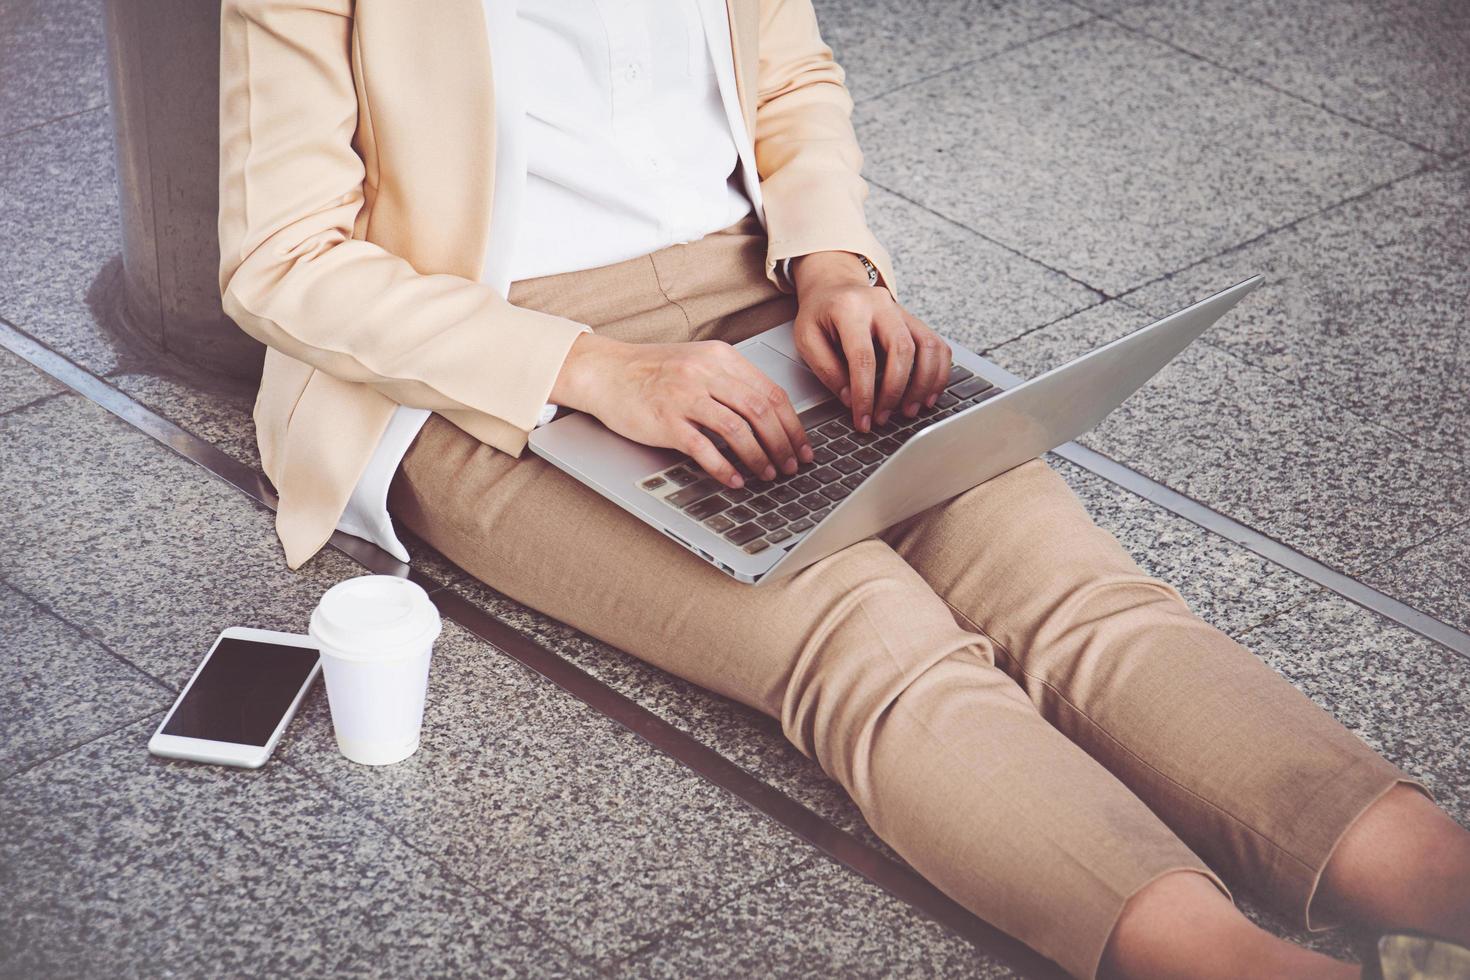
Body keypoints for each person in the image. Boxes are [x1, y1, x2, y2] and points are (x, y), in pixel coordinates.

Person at [216, 1, 1470, 977]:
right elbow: (281, 257)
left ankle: (1430, 881)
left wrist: (835, 267)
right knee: (862, 637)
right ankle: (1220, 961)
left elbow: (789, 82)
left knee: (1075, 589)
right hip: (483, 365)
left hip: (760, 294)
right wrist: (591, 367)